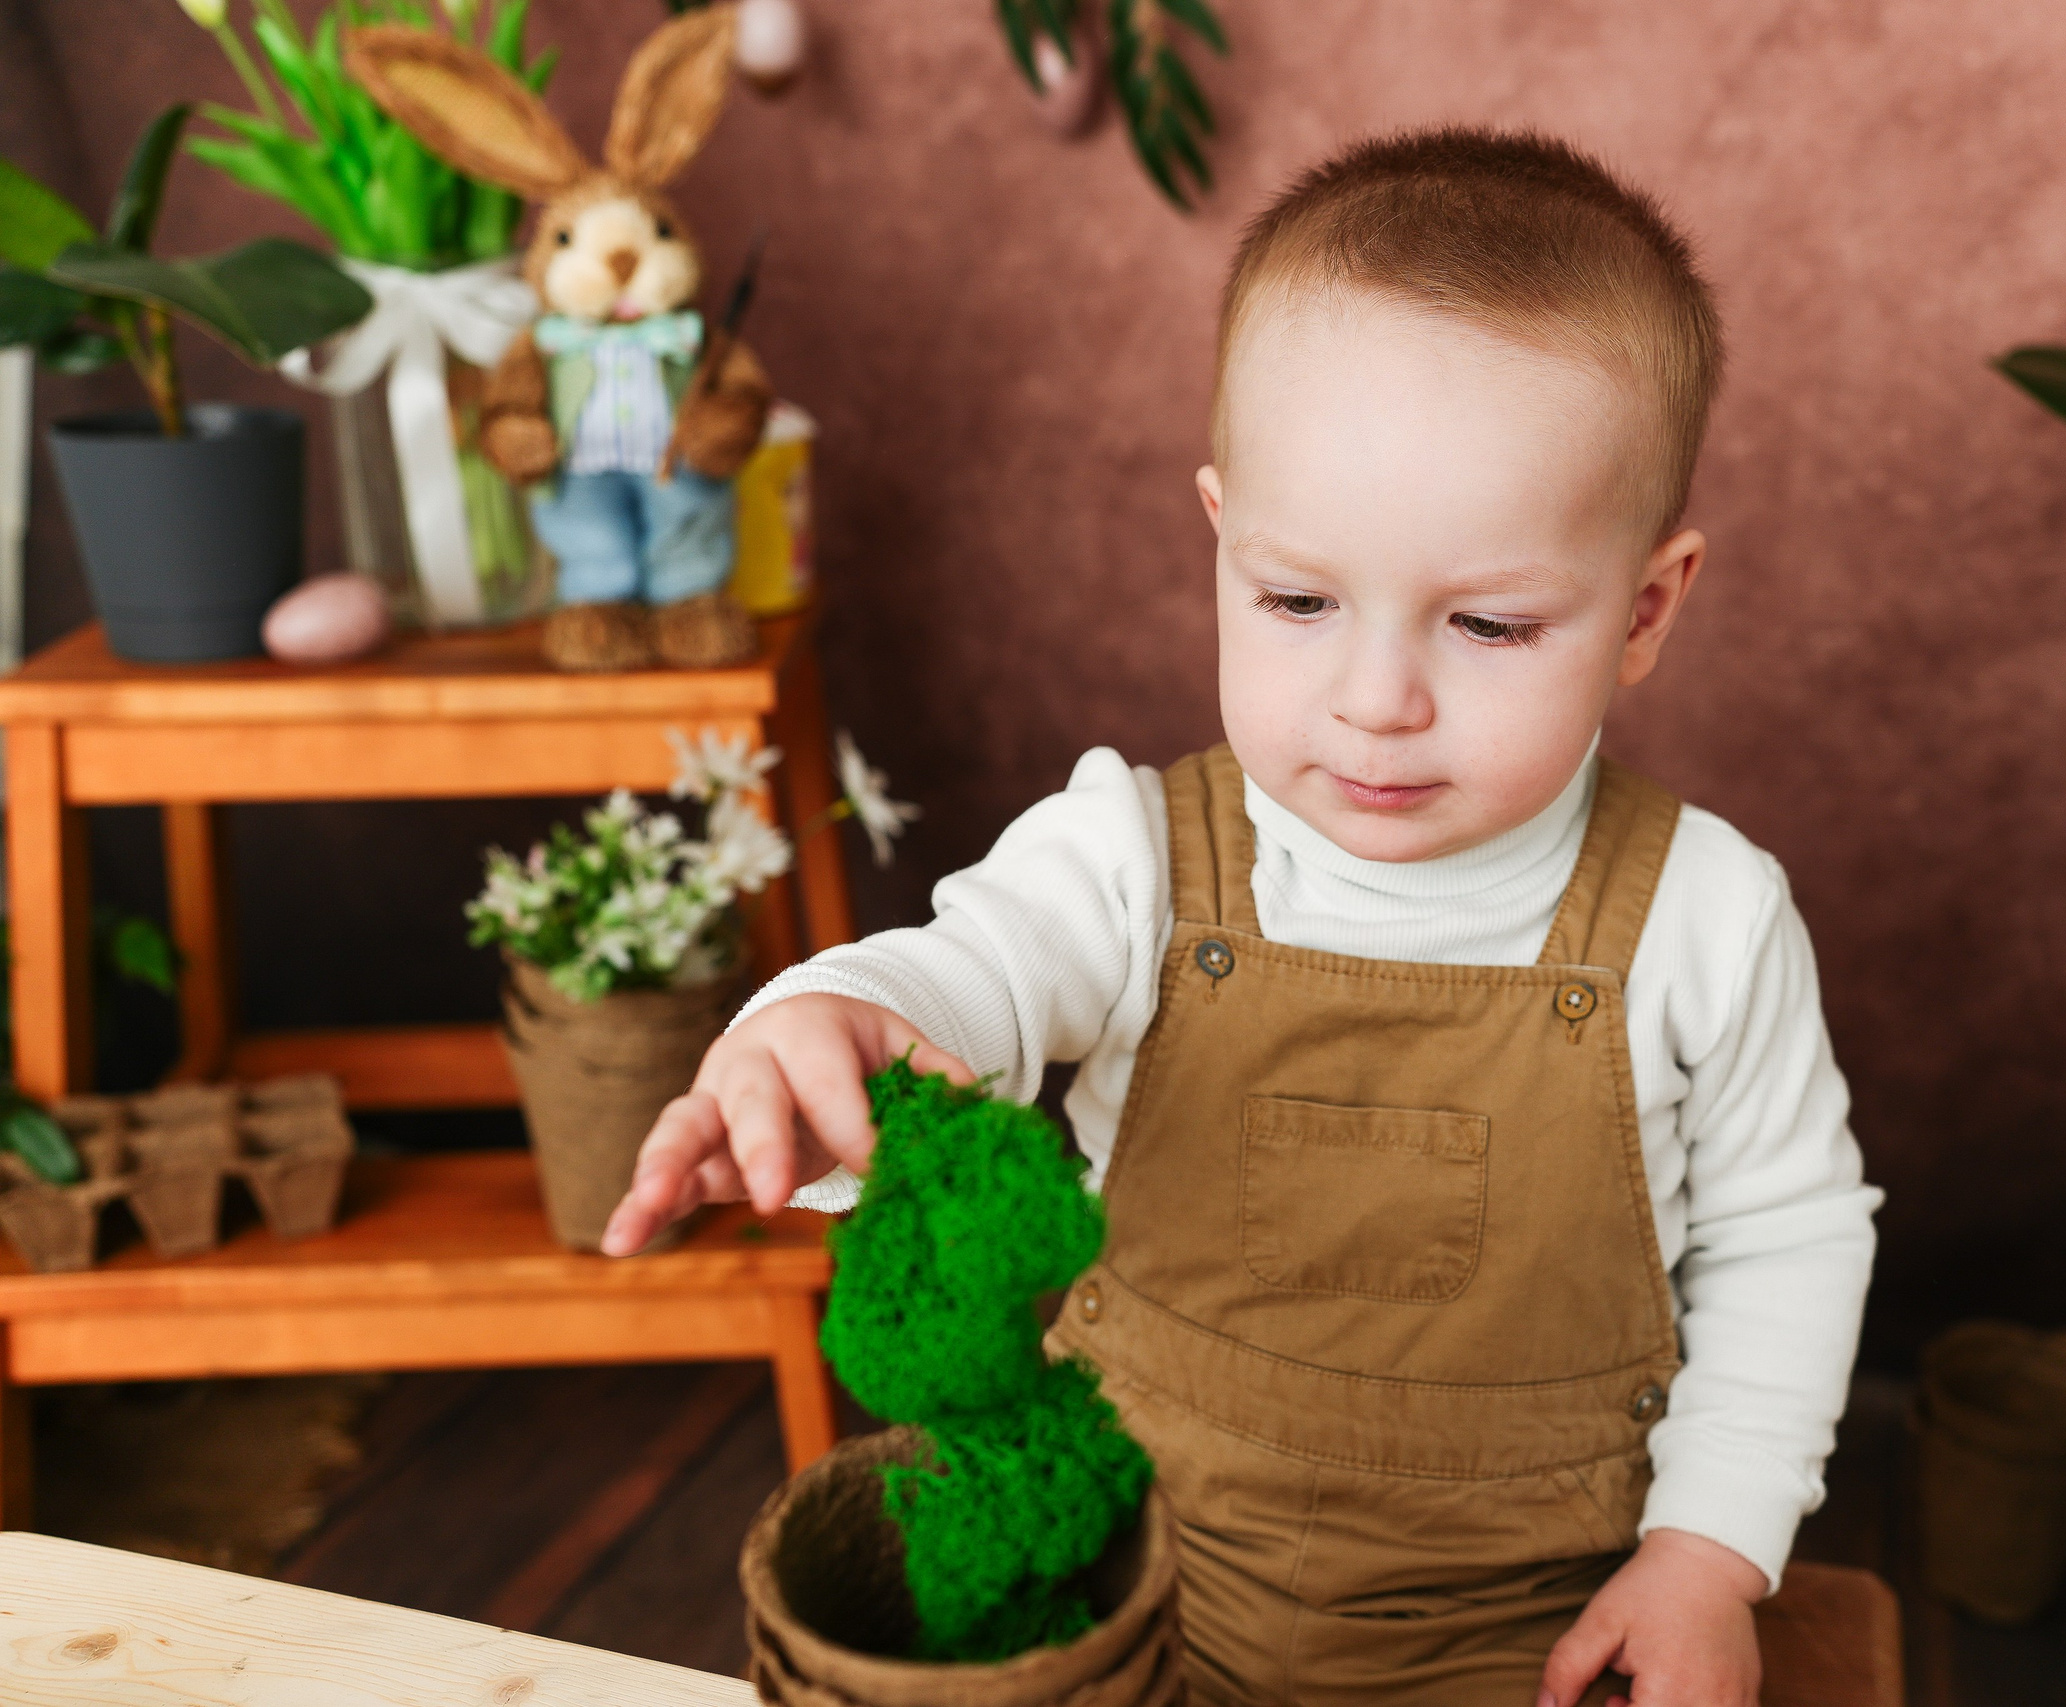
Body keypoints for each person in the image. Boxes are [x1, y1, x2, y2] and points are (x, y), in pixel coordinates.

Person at [602, 127, 1879, 1707]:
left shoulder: (1707, 918)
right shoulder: (1132, 858)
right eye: (1297, 601)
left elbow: (1787, 1241)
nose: (1377, 699)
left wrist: (1709, 1553)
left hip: (1531, 1630)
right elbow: (976, 972)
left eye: (1489, 623)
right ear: (1220, 537)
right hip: (1128, 1587)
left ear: (1647, 609)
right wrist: (836, 1020)